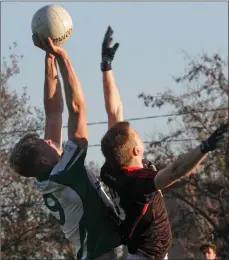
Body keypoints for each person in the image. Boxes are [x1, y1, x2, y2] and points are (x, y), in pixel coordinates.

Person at [99, 27, 228, 260]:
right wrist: (205, 147)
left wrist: (106, 68)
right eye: (137, 135)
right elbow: (175, 172)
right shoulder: (137, 183)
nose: (139, 134)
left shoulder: (113, 165)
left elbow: (114, 110)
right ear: (136, 149)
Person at [9, 34, 122, 260]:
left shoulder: (49, 173)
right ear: (44, 160)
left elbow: (53, 112)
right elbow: (77, 109)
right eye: (46, 143)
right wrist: (63, 57)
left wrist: (49, 59)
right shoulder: (65, 172)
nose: (50, 140)